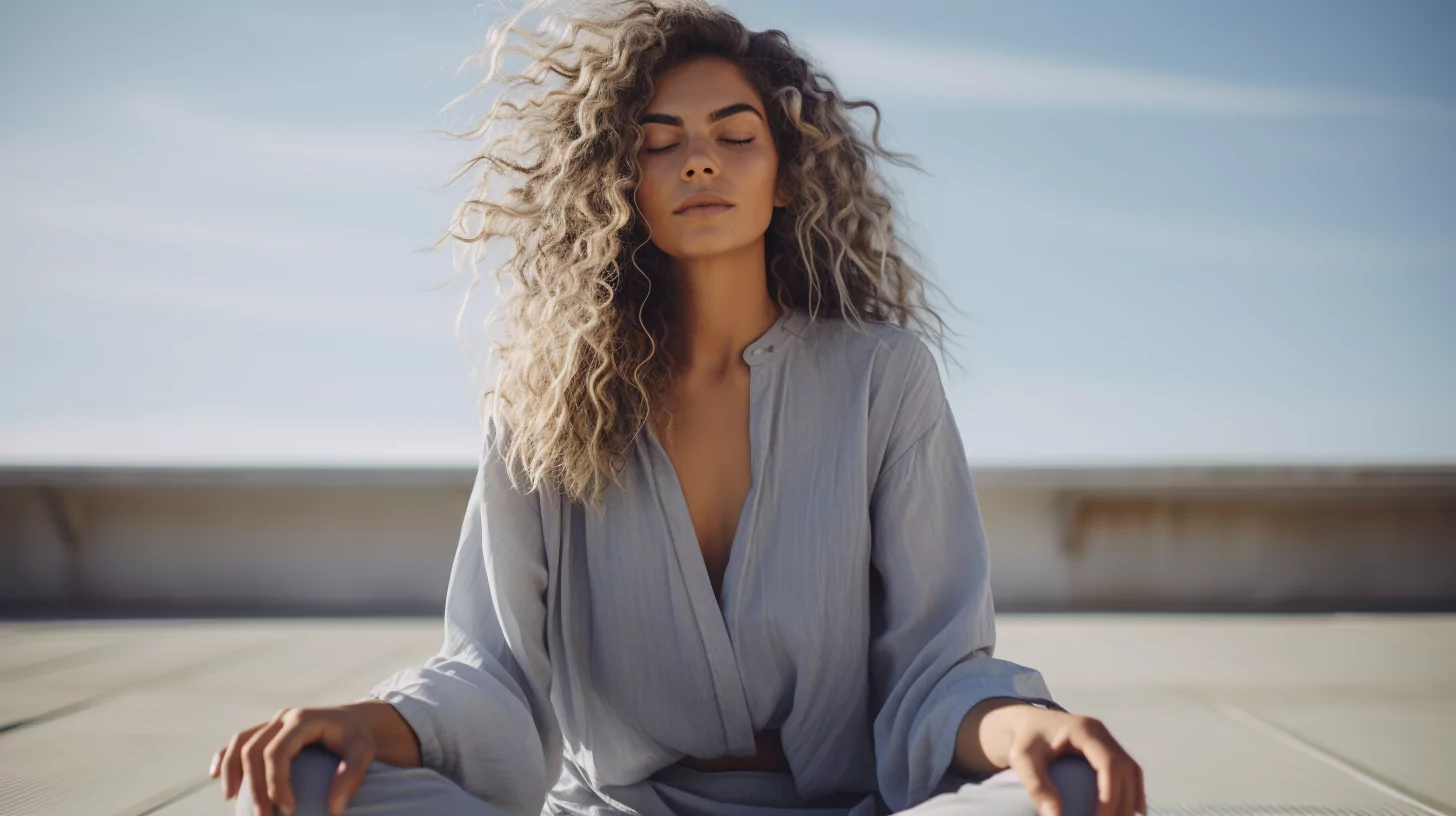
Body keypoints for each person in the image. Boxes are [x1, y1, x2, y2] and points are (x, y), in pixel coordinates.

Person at [209, 1, 1146, 815]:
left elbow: (937, 669)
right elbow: (491, 670)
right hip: (617, 812)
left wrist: (1030, 726)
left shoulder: (881, 377)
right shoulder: (539, 403)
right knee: (315, 785)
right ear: (623, 187)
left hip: (844, 810)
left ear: (785, 178)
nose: (699, 160)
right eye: (660, 143)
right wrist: (366, 724)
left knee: (1060, 789)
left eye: (735, 136)